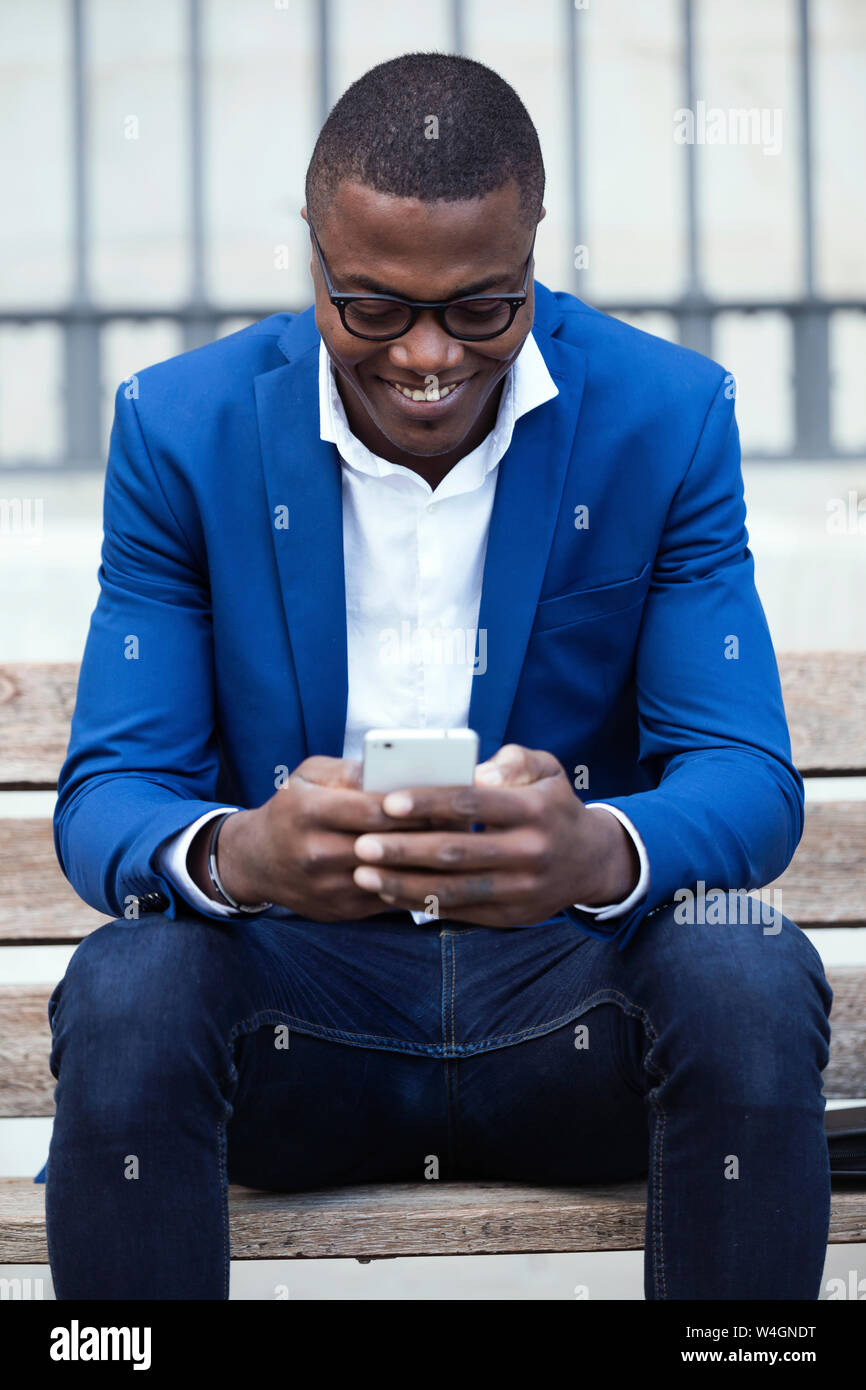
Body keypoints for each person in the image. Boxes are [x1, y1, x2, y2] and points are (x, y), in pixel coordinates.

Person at [45, 52, 832, 1300]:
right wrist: (239, 856)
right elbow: (108, 790)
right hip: (301, 1024)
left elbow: (743, 773)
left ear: (533, 249)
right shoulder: (179, 428)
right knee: (129, 980)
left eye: (480, 306)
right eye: (371, 308)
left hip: (567, 1011)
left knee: (740, 957)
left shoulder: (662, 413)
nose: (426, 356)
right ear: (310, 251)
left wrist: (594, 851)